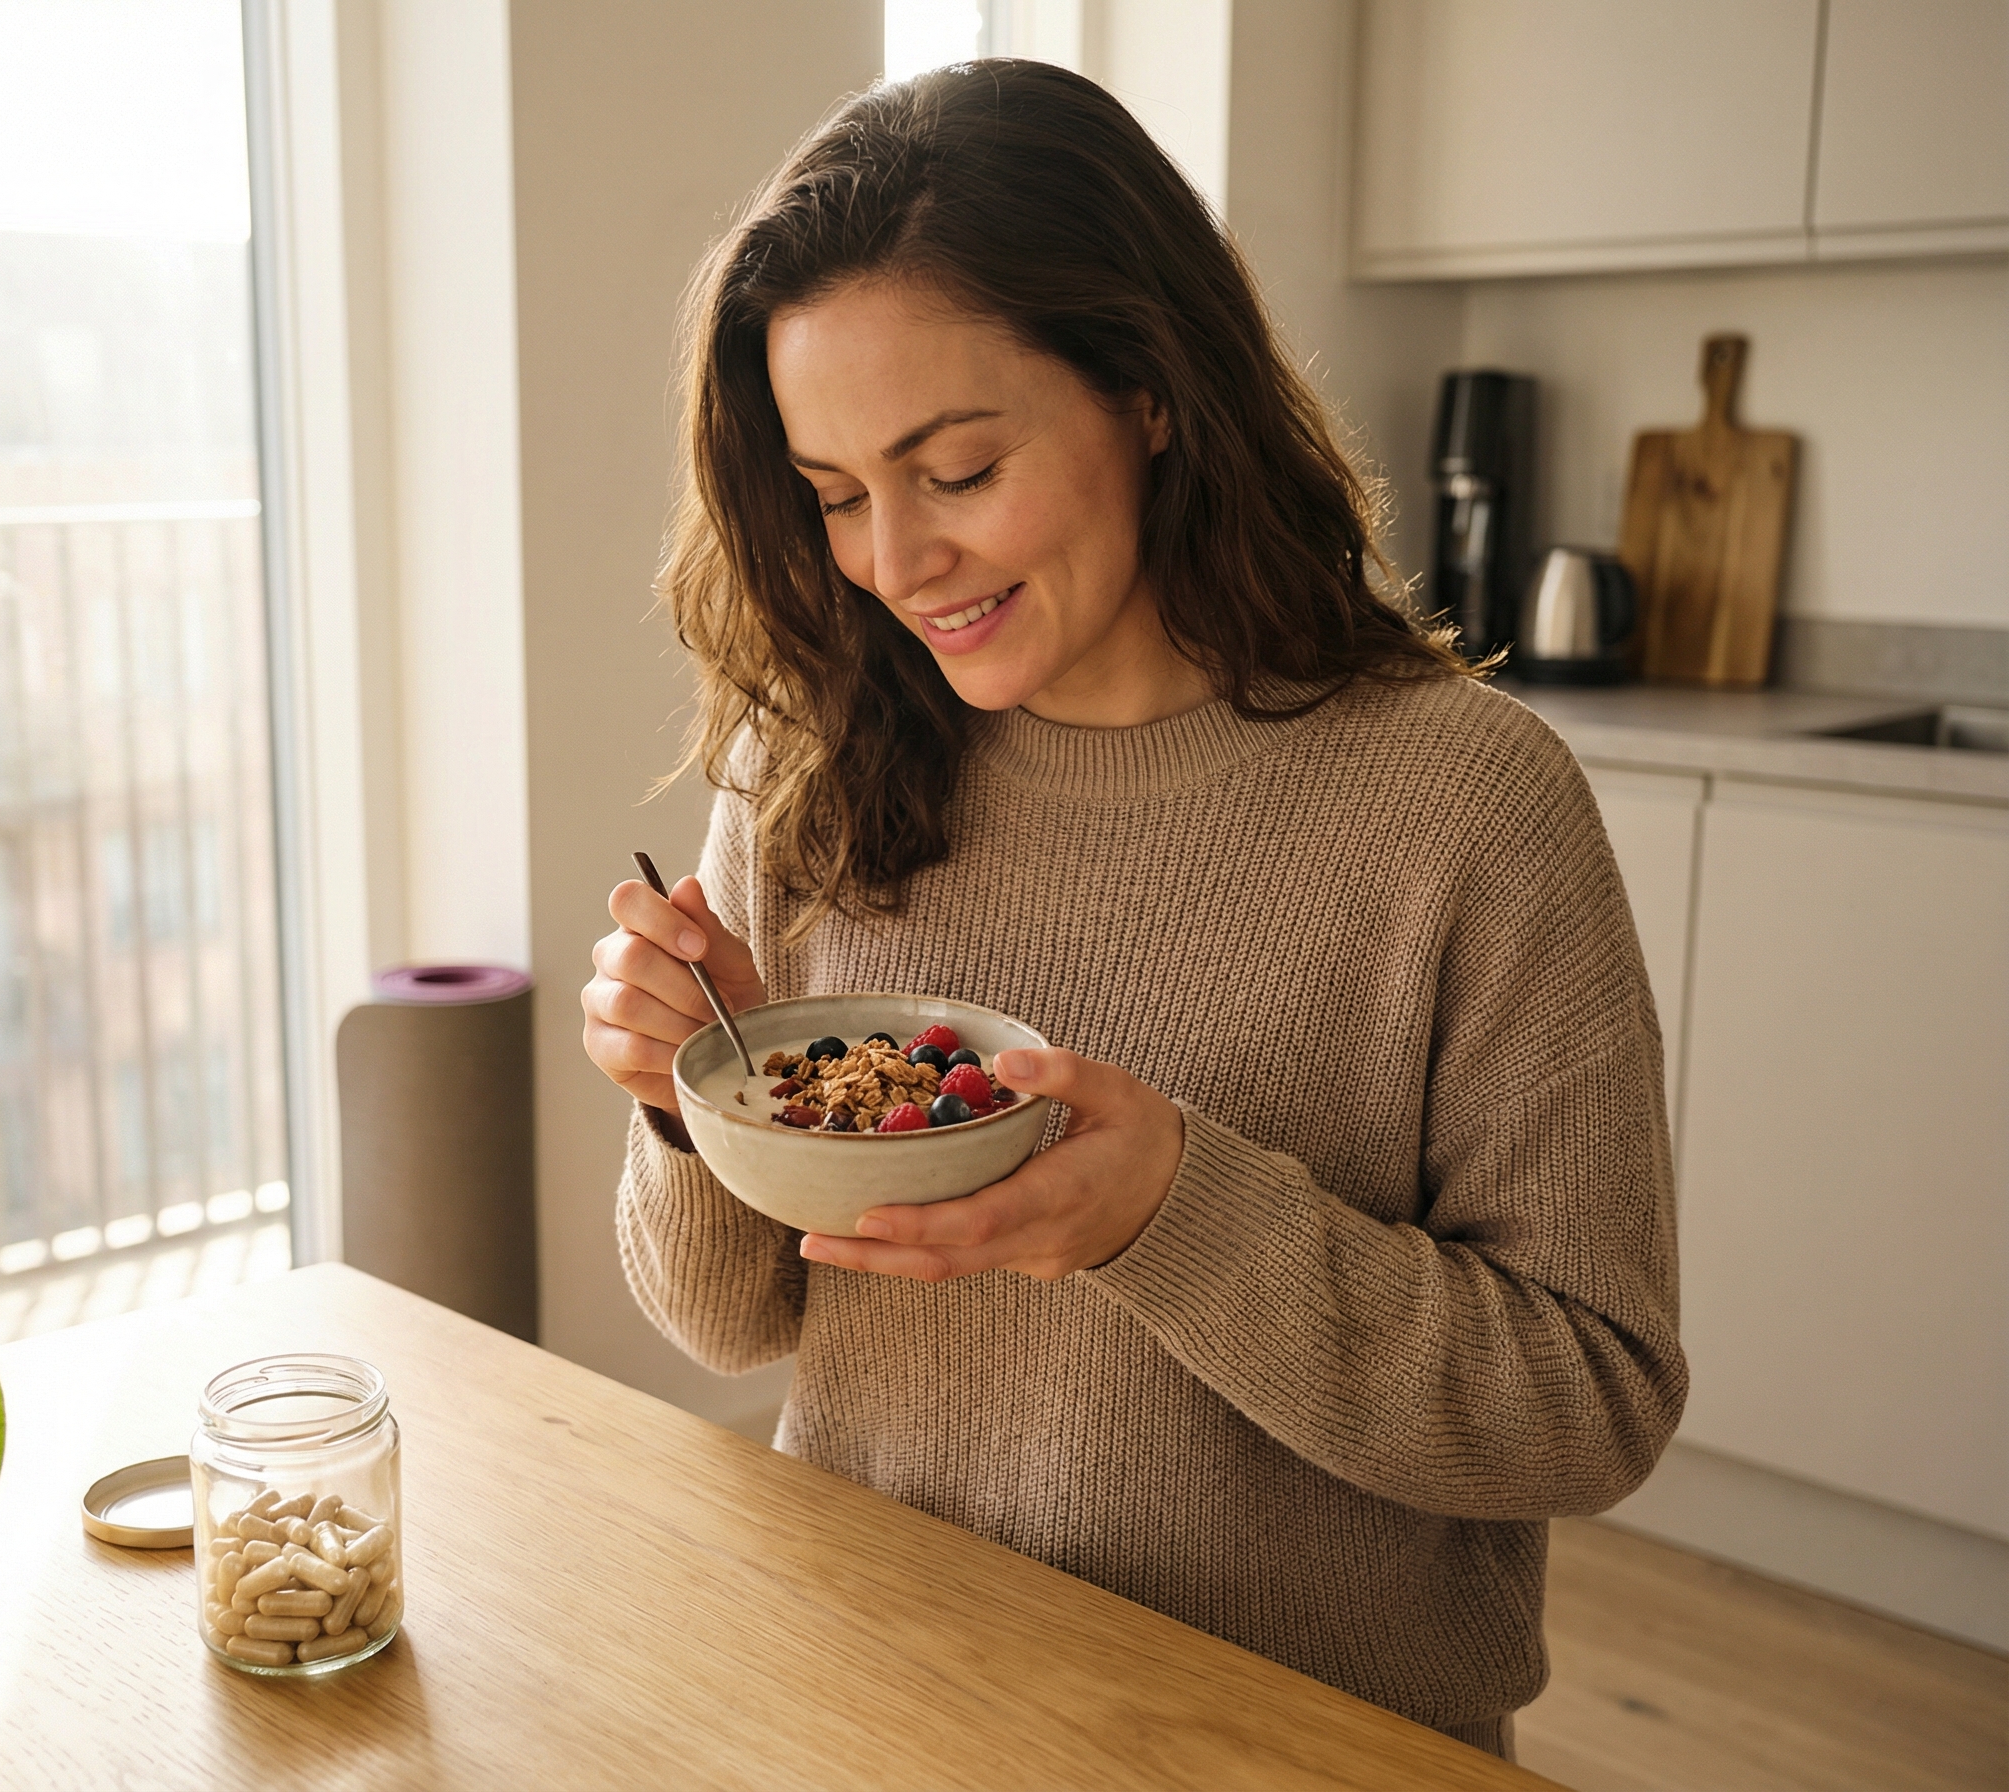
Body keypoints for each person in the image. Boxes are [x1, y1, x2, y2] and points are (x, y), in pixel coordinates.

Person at [579, 60, 1683, 1761]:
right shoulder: (814, 761)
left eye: (956, 468)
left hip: (1295, 1739)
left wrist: (1172, 1214)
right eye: (835, 492)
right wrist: (684, 1098)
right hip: (879, 1692)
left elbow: (1590, 1404)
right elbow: (732, 1320)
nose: (895, 559)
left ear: (1151, 390)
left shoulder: (1465, 806)